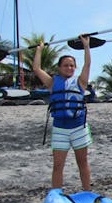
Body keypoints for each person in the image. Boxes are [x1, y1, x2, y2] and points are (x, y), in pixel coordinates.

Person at [33, 35, 93, 191]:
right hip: (60, 128)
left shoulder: (80, 82)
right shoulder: (53, 82)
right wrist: (39, 50)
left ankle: (87, 192)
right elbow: (36, 69)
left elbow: (87, 64)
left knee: (82, 162)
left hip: (79, 128)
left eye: (72, 66)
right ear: (59, 68)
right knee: (58, 165)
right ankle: (57, 196)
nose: (69, 68)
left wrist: (86, 46)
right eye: (66, 65)